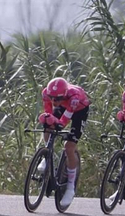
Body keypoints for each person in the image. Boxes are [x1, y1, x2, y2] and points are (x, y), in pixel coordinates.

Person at [37, 76, 90, 207]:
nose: (54, 101)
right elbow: (49, 112)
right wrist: (49, 120)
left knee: (69, 146)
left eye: (58, 98)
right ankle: (47, 154)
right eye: (52, 98)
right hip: (64, 106)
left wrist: (60, 124)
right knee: (48, 124)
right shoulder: (47, 93)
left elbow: (65, 119)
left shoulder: (74, 96)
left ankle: (70, 187)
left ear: (64, 95)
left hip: (79, 111)